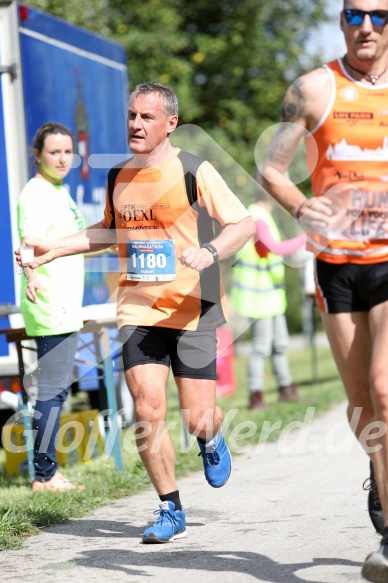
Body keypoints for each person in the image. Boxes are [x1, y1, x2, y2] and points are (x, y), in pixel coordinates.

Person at [15, 82, 255, 543]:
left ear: (170, 124)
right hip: (138, 308)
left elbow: (244, 223)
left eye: (146, 117)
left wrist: (210, 250)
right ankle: (170, 507)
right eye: (131, 116)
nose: (135, 125)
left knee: (197, 417)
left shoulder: (193, 170)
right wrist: (52, 250)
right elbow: (108, 231)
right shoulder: (119, 176)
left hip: (193, 308)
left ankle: (211, 435)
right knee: (147, 409)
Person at [260, 2, 388, 581]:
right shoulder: (313, 90)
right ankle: (382, 489)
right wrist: (298, 206)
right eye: (356, 15)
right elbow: (273, 169)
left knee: (386, 390)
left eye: (381, 16)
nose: (368, 26)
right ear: (341, 22)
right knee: (363, 408)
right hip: (336, 266)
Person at [17, 122, 86, 492]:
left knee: (55, 390)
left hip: (64, 301)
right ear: (38, 155)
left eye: (66, 151)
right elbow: (27, 239)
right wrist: (32, 277)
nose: (62, 158)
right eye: (54, 152)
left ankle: (45, 472)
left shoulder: (58, 189)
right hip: (50, 301)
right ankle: (44, 475)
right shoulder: (36, 193)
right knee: (51, 391)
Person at [231, 179, 306, 409]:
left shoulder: (262, 215)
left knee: (280, 344)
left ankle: (286, 389)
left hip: (271, 296)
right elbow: (275, 247)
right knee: (261, 347)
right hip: (258, 297)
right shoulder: (258, 218)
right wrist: (306, 238)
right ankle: (256, 396)